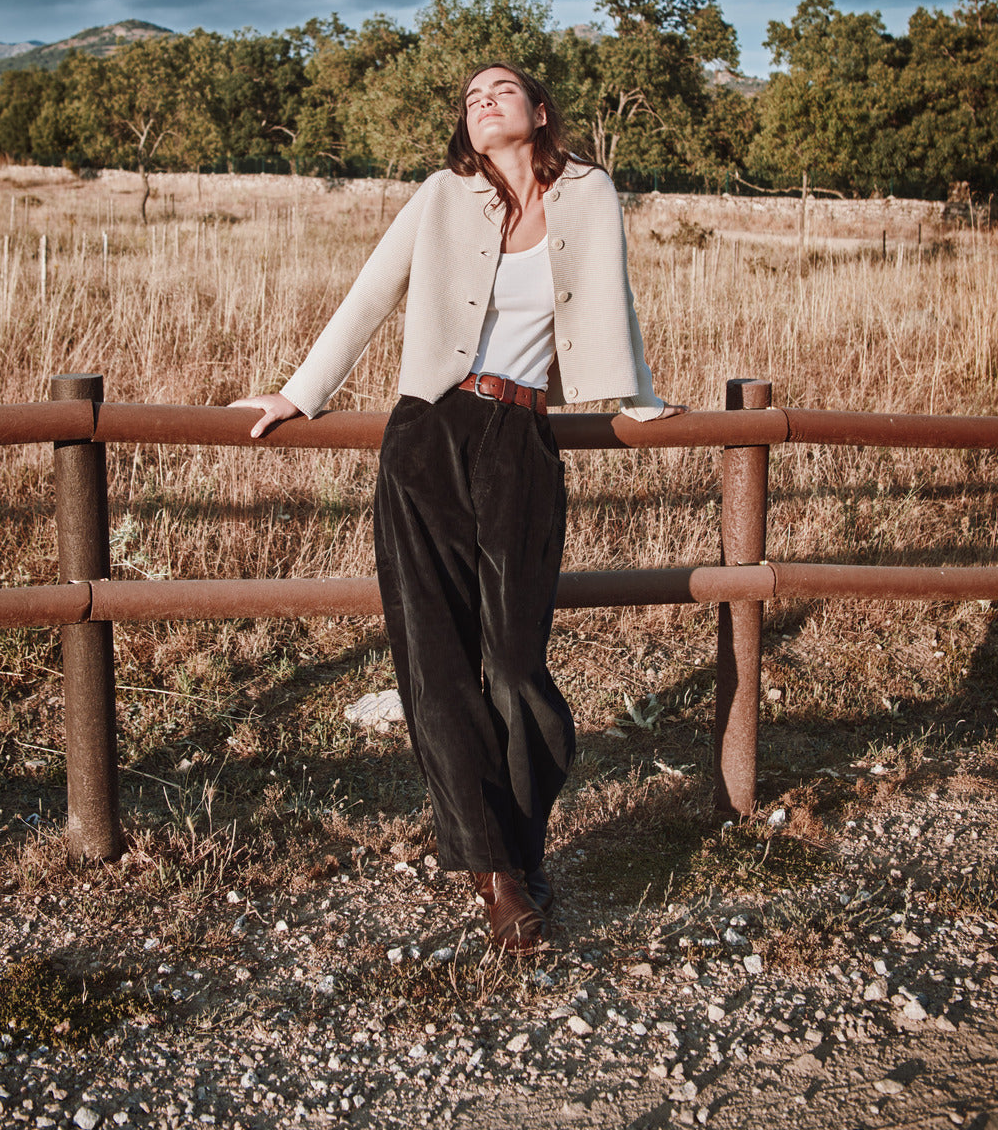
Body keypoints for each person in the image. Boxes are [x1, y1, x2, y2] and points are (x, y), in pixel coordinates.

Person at [231, 63, 683, 953]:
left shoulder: (588, 192)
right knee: (436, 668)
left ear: (539, 112)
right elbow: (371, 293)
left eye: (501, 91)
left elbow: (611, 291)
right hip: (428, 432)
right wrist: (298, 394)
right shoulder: (442, 194)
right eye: (471, 96)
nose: (483, 101)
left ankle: (522, 840)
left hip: (521, 440)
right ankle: (499, 876)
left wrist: (635, 393)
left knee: (514, 666)